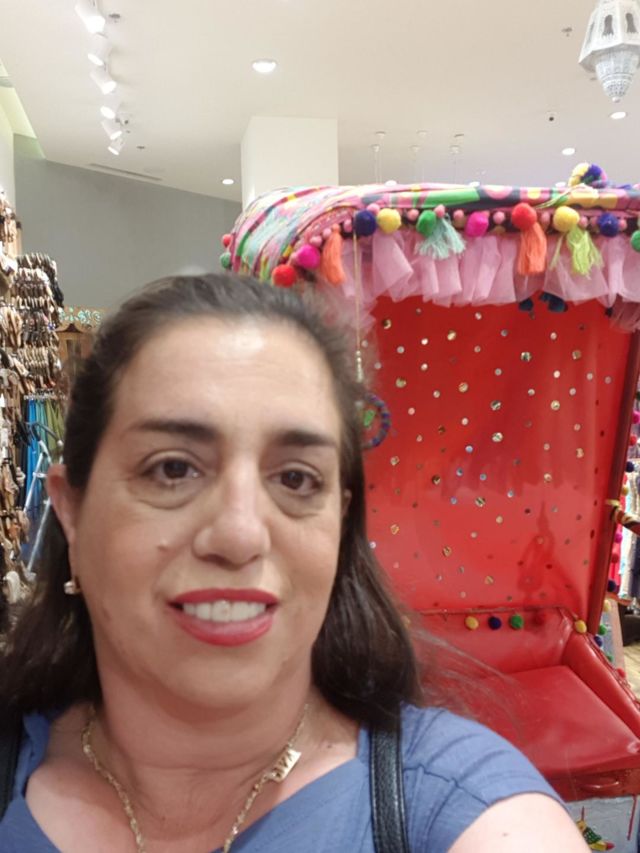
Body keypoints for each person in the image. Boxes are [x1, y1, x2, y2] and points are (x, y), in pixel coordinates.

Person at [0, 273, 587, 852]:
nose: (240, 534)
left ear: (340, 522)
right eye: (173, 469)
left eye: (296, 479)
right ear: (71, 510)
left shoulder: (455, 803)